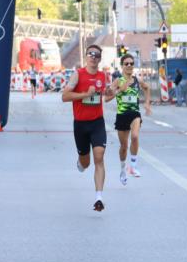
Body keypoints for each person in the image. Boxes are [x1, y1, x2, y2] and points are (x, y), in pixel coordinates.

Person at [62, 44, 109, 212]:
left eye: (97, 55)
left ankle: (99, 197)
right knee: (86, 162)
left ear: (100, 58)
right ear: (86, 56)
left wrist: (115, 91)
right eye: (91, 54)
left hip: (97, 122)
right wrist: (85, 95)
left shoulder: (103, 76)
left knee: (99, 155)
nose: (93, 57)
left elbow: (107, 94)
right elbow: (65, 96)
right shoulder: (78, 75)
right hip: (81, 124)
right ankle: (80, 162)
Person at [105, 52, 152, 185]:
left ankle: (133, 166)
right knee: (124, 146)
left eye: (132, 63)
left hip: (134, 113)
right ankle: (122, 169)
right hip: (122, 115)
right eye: (127, 64)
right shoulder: (117, 81)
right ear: (122, 66)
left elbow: (147, 88)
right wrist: (120, 90)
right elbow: (106, 98)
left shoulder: (137, 80)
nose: (130, 66)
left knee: (135, 136)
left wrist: (147, 103)